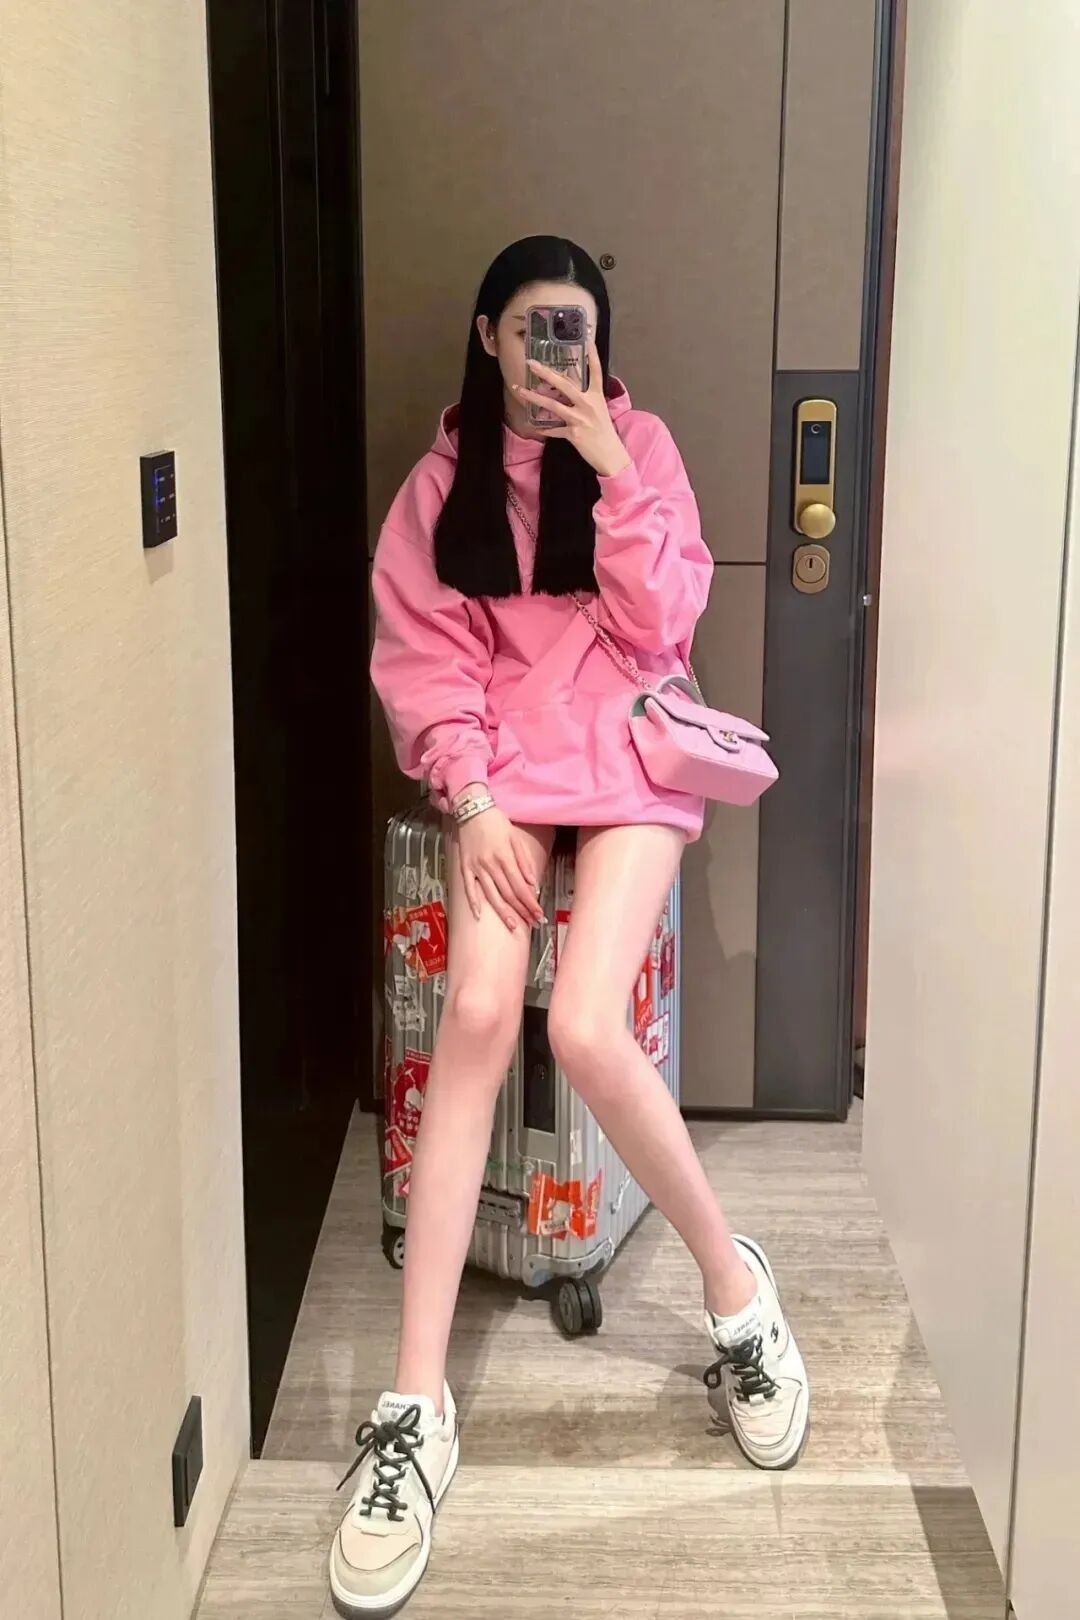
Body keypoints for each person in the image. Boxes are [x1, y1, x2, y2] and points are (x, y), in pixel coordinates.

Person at [328, 236, 809, 1618]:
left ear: (602, 346)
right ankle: (415, 1406)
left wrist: (605, 457)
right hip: (507, 773)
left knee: (588, 1026)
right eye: (536, 329)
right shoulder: (440, 487)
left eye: (579, 333)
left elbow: (667, 628)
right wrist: (474, 800)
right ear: (488, 334)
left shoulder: (636, 445)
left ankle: (737, 1297)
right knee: (478, 1016)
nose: (557, 356)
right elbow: (427, 660)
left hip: (637, 750)